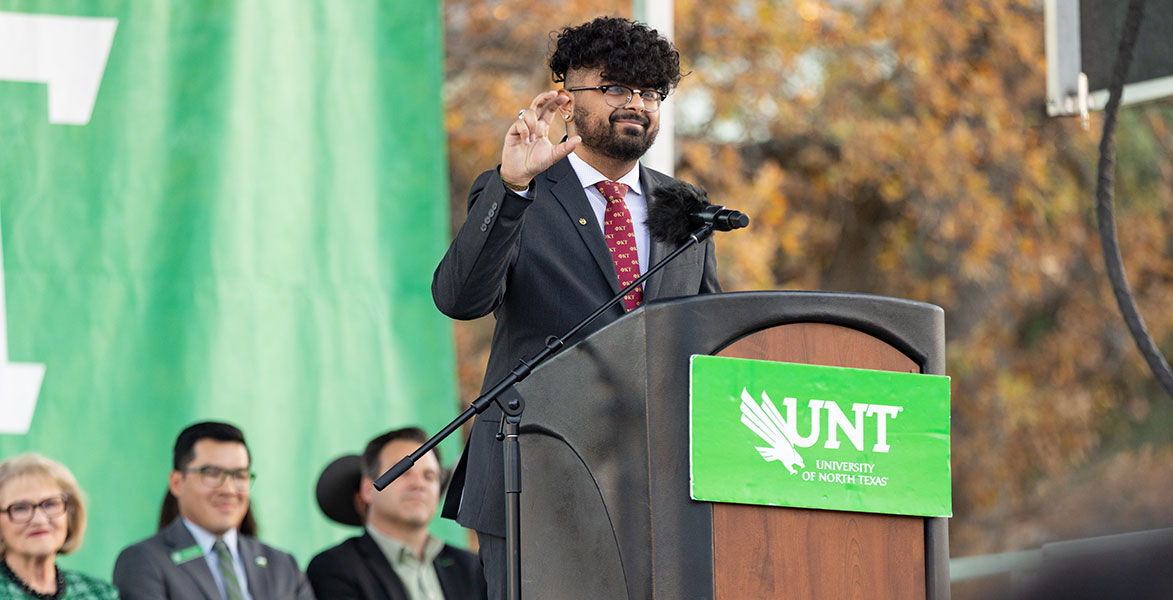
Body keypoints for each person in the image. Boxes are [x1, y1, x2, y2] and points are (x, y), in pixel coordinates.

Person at [431, 16, 721, 597]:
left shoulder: (686, 205)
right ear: (567, 96)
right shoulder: (521, 186)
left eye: (650, 92)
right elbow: (460, 299)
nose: (635, 103)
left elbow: (709, 336)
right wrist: (513, 188)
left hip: (655, 489)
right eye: (614, 87)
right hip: (536, 473)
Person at [112, 422, 314, 599]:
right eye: (212, 474)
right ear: (176, 483)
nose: (228, 489)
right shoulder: (145, 561)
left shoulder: (283, 566)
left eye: (240, 475)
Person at [306, 428, 485, 600]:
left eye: (429, 476)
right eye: (403, 472)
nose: (419, 484)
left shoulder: (470, 566)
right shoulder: (335, 567)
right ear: (367, 489)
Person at [0, 453, 117, 599]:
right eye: (20, 508)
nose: (39, 520)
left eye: (50, 504)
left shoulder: (99, 593)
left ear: (70, 514)